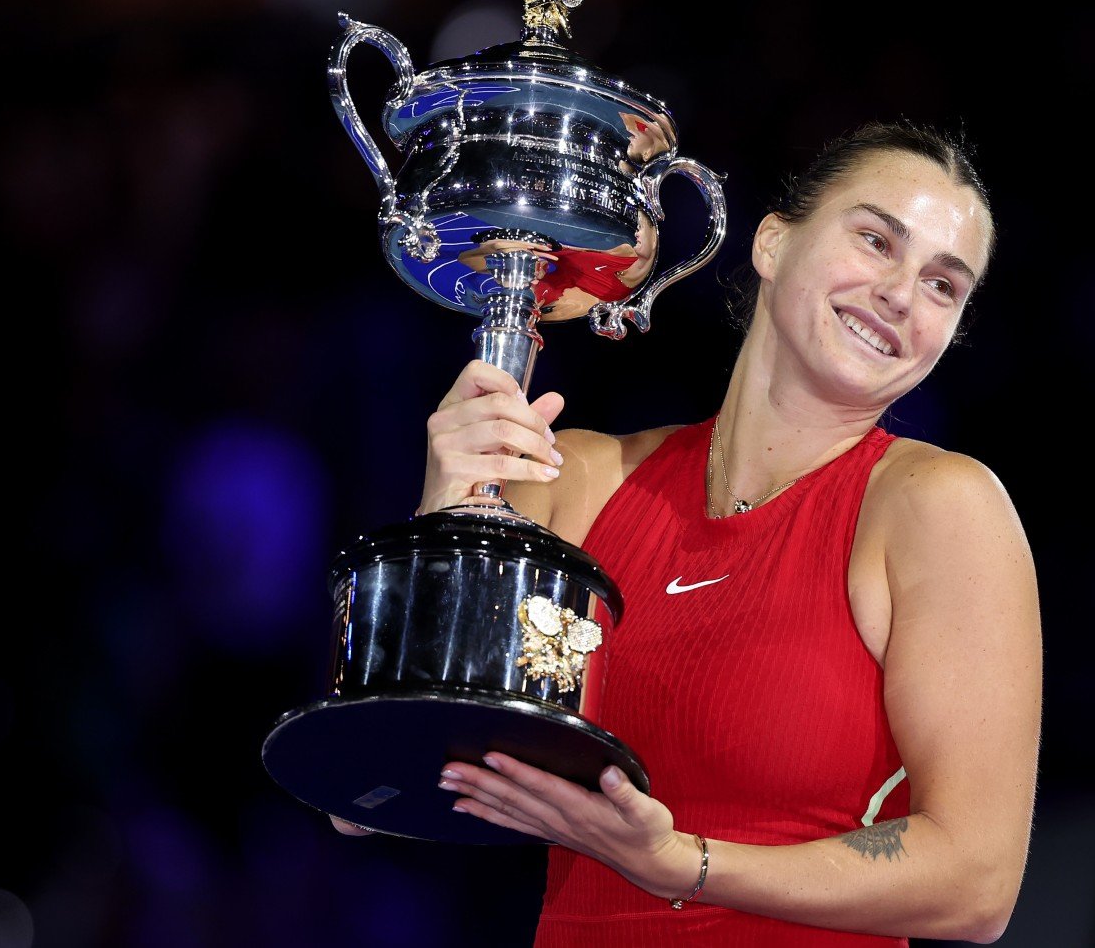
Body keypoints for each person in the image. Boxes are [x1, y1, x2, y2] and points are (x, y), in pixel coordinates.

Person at [336, 120, 1041, 945]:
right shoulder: (580, 482)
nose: (900, 293)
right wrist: (448, 508)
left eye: (942, 286)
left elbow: (977, 882)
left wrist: (686, 863)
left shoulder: (937, 506)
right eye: (876, 240)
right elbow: (373, 794)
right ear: (774, 242)